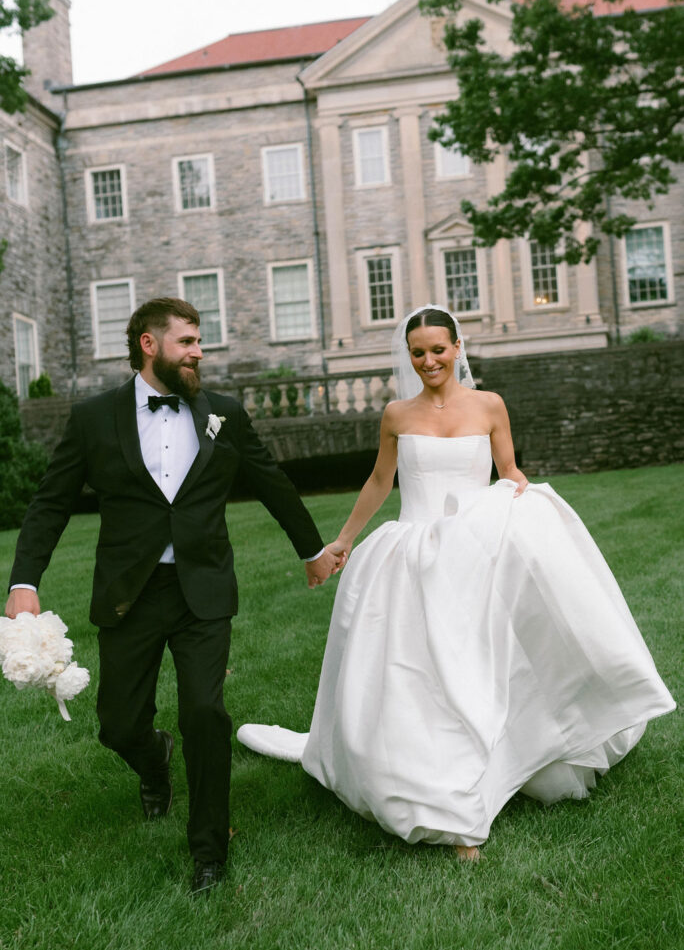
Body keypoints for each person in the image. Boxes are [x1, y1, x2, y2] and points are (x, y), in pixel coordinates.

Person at [237, 305, 676, 860]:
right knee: (420, 670)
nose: (428, 361)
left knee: (480, 662)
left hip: (478, 552)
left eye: (438, 349)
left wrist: (523, 496)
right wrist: (343, 540)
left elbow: (508, 470)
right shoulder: (398, 414)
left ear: (458, 347)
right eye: (418, 352)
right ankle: (434, 793)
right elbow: (380, 480)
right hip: (415, 553)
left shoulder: (490, 405)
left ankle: (506, 755)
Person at [4, 297, 339, 894]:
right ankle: (152, 758)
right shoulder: (94, 417)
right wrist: (24, 583)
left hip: (202, 590)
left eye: (200, 340)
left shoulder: (223, 414)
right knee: (117, 723)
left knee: (205, 714)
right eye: (187, 341)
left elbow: (271, 482)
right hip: (128, 592)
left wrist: (311, 551)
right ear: (149, 344)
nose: (199, 351)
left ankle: (209, 851)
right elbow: (51, 503)